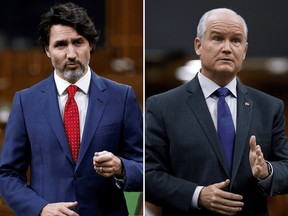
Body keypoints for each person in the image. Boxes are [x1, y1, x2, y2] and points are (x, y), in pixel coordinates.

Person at [0, 2, 143, 216]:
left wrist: (121, 167)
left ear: (91, 45)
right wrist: (40, 209)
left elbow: (143, 166)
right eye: (60, 45)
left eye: (78, 42)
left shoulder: (122, 97)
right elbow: (7, 175)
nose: (72, 54)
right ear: (47, 50)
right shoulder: (25, 102)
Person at [145, 8, 288, 216]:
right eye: (217, 38)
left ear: (245, 50)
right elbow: (148, 175)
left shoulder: (269, 107)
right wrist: (197, 195)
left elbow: (285, 167)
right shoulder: (162, 106)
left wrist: (267, 172)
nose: (227, 48)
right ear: (198, 45)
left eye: (236, 40)